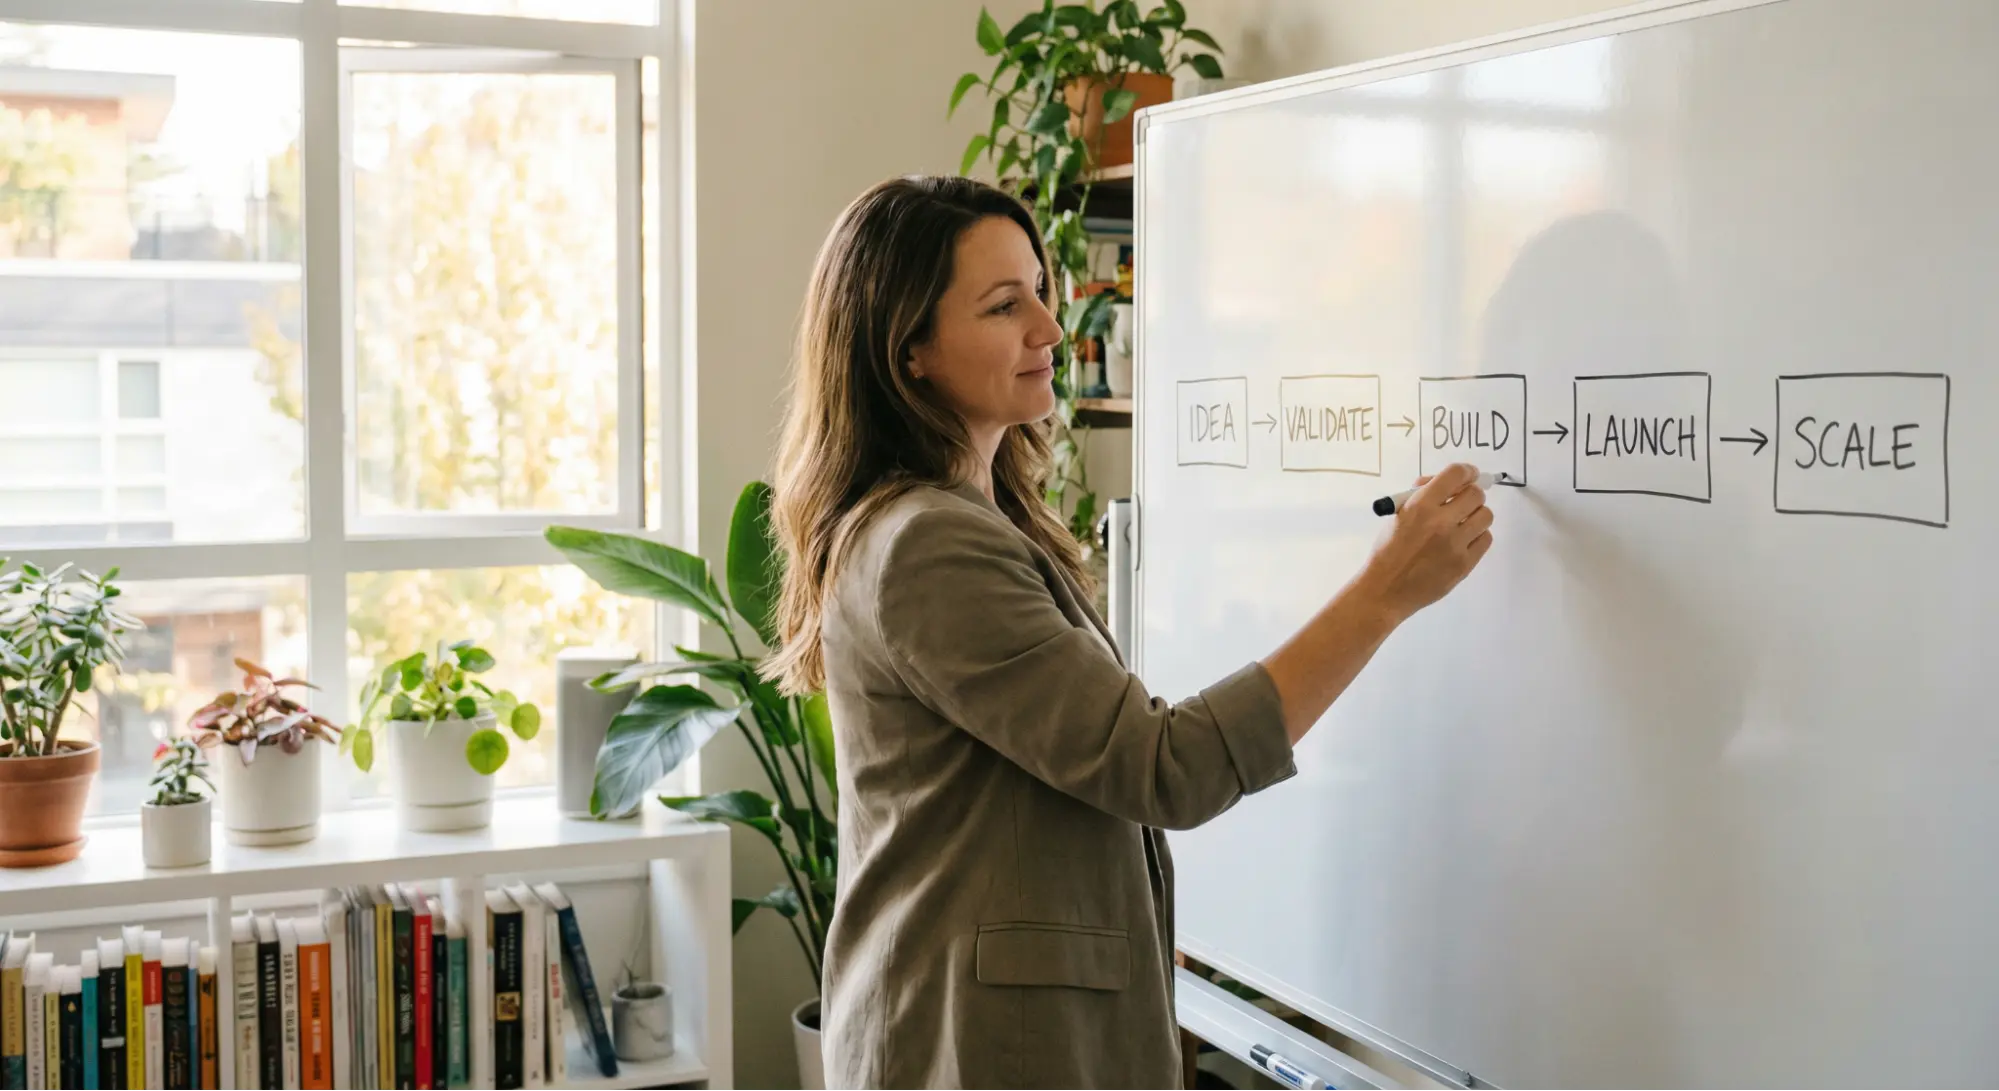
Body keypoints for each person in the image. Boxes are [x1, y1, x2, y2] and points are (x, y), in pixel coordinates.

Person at [767, 175, 1495, 1091]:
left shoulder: (968, 518)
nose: (1048, 327)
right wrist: (1385, 589)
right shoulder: (927, 543)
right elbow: (1160, 766)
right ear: (906, 348)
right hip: (980, 1045)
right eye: (1004, 305)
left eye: (1040, 289)